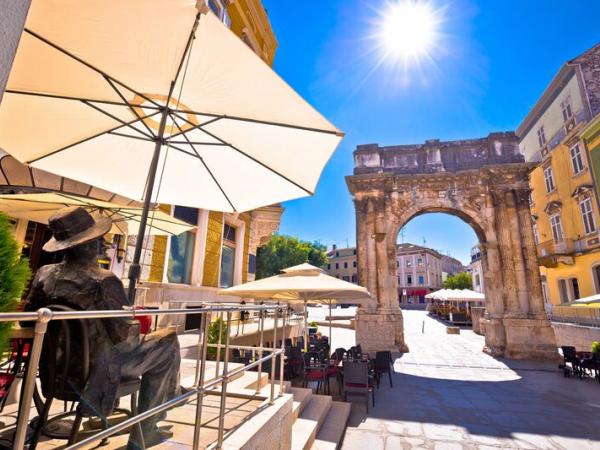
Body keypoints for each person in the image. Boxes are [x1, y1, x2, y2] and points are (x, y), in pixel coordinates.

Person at [24, 207, 180, 448]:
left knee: (159, 347)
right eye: (99, 240)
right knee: (167, 341)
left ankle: (171, 393)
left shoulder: (44, 275)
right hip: (96, 374)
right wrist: (137, 325)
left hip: (57, 373)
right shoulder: (103, 280)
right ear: (85, 246)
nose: (105, 245)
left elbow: (27, 322)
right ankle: (148, 426)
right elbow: (125, 340)